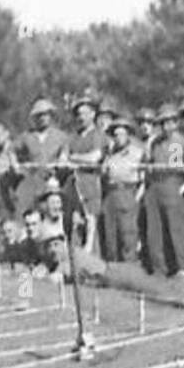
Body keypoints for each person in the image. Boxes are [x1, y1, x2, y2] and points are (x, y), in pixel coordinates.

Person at [145, 102, 184, 276]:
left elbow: (176, 166)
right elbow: (150, 162)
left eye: (170, 122)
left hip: (172, 183)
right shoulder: (155, 142)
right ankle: (159, 267)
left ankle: (181, 266)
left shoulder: (179, 141)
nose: (167, 126)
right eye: (163, 123)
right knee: (154, 229)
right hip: (155, 185)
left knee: (176, 227)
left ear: (176, 122)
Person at [100, 117, 144, 264]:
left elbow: (144, 179)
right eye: (116, 135)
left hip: (128, 193)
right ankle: (113, 269)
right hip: (111, 194)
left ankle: (129, 268)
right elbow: (103, 174)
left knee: (128, 235)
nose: (119, 138)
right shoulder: (110, 155)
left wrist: (136, 198)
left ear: (128, 135)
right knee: (110, 234)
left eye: (122, 134)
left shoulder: (137, 153)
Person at [14, 98, 68, 217]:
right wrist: (16, 166)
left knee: (52, 211)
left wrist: (61, 164)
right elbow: (11, 150)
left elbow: (65, 155)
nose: (42, 118)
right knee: (25, 209)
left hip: (52, 181)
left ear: (50, 116)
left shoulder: (60, 136)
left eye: (45, 114)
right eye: (39, 115)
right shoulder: (27, 136)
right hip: (32, 179)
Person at [67, 92, 105, 254]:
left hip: (91, 182)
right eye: (78, 114)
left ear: (93, 114)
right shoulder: (73, 137)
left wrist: (74, 158)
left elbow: (94, 158)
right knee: (75, 222)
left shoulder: (97, 134)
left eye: (85, 113)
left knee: (91, 222)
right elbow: (63, 157)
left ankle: (92, 259)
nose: (81, 117)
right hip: (74, 183)